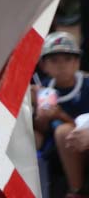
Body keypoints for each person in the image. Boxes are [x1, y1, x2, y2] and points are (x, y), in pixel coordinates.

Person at [35, 32, 89, 194]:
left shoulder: (86, 85)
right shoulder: (42, 89)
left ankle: (76, 190)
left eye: (68, 59)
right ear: (43, 65)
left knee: (63, 131)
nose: (62, 66)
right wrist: (42, 118)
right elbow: (41, 131)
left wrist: (60, 115)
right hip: (56, 155)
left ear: (77, 62)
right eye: (54, 60)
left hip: (83, 146)